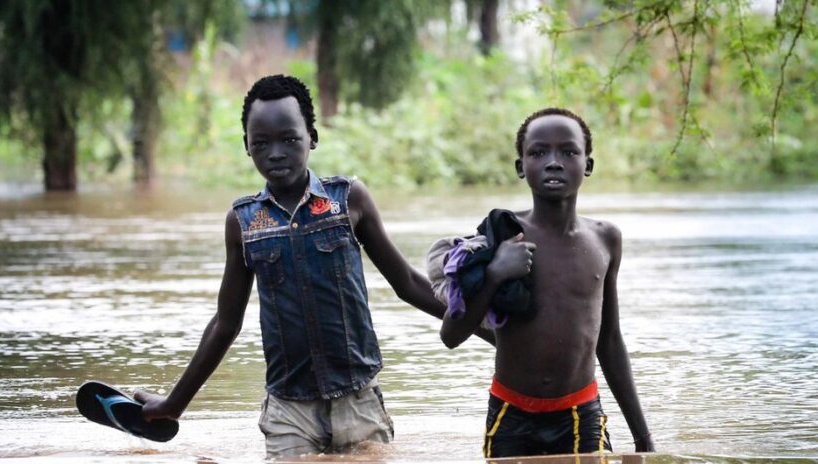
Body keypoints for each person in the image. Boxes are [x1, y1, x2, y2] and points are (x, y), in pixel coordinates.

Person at [134, 74, 491, 458]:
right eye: (261, 143)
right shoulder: (243, 222)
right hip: (289, 409)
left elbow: (407, 284)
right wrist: (175, 404)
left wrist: (495, 337)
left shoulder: (347, 200)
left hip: (358, 400)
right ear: (246, 147)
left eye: (289, 139)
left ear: (312, 138)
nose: (275, 153)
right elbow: (226, 323)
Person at [439, 107, 655, 458]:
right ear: (521, 167)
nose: (553, 162)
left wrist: (642, 435)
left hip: (580, 414)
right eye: (538, 152)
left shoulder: (605, 239)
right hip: (510, 415)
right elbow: (451, 335)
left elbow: (610, 341)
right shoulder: (500, 235)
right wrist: (495, 273)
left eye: (568, 152)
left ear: (588, 165)